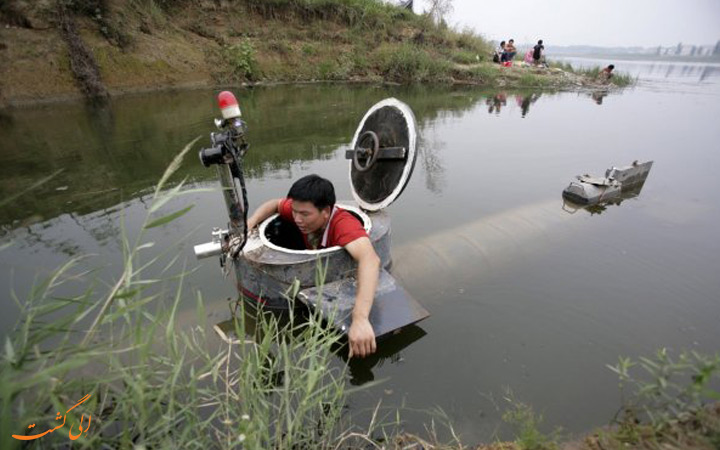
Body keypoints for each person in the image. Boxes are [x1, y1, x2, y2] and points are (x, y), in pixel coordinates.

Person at [246, 174, 381, 358]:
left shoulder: (343, 225)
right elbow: (275, 204)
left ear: (326, 211)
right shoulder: (300, 212)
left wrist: (360, 319)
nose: (297, 219)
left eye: (304, 214)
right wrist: (252, 222)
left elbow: (370, 260)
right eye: (294, 211)